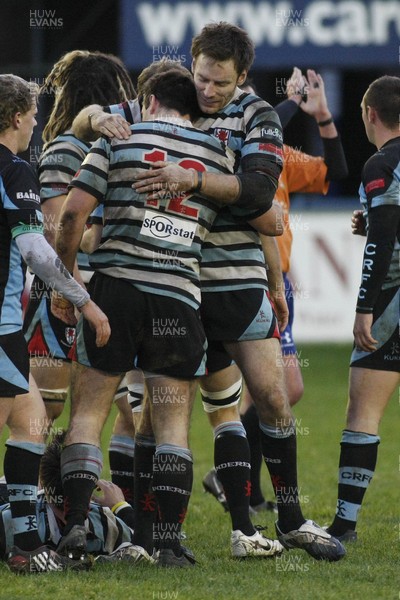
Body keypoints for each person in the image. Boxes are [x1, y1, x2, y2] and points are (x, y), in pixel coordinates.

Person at [130, 23, 346, 562]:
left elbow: (256, 191)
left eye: (220, 84)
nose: (207, 91)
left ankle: (291, 519)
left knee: (273, 398)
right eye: (202, 77)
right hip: (176, 281)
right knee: (160, 413)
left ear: (243, 77)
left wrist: (196, 180)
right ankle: (152, 535)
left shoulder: (259, 116)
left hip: (239, 279)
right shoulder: (179, 102)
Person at [53, 68, 280, 568]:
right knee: (174, 424)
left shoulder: (120, 139)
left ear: (148, 99)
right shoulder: (216, 156)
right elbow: (267, 217)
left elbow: (71, 216)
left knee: (89, 414)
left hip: (114, 293)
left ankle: (73, 528)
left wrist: (67, 283)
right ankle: (168, 542)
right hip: (178, 298)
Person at [0, 73, 110, 574]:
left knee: (32, 421)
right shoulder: (15, 170)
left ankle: (24, 544)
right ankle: (21, 543)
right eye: (33, 117)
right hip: (2, 329)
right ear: (17, 118)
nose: (37, 124)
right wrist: (83, 300)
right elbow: (36, 252)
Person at [235, 68, 348, 513]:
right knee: (282, 387)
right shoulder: (236, 152)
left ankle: (239, 482)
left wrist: (321, 115)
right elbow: (261, 128)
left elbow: (333, 170)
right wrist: (290, 100)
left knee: (267, 392)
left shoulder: (279, 155)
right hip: (251, 279)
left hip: (278, 283)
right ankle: (236, 478)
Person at [325, 75, 400, 542]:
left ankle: (345, 525)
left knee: (363, 411)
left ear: (370, 115)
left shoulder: (381, 163)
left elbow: (385, 239)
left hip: (392, 304)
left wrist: (364, 308)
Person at [0, 432, 142, 571]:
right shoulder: (105, 525)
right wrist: (120, 506)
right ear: (92, 483)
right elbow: (143, 543)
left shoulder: (11, 520)